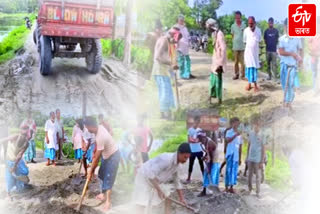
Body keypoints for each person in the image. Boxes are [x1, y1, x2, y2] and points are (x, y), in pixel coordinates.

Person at [133, 143, 191, 214]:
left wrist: (181, 198)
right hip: (144, 177)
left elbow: (177, 182)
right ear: (179, 153)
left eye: (188, 158)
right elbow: (150, 174)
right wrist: (159, 190)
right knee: (141, 202)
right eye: (185, 157)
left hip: (155, 181)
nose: (186, 160)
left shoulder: (177, 166)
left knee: (168, 196)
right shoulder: (166, 160)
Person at [84, 116, 120, 212]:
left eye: (87, 127)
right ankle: (103, 194)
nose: (87, 129)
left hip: (113, 156)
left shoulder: (101, 136)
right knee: (102, 174)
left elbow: (96, 158)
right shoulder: (99, 128)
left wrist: (90, 171)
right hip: (106, 155)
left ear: (90, 126)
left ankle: (108, 201)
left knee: (109, 177)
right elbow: (97, 150)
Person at [152, 27, 181, 119]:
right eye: (176, 38)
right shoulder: (164, 40)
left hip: (162, 71)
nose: (176, 42)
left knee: (164, 92)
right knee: (166, 93)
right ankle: (166, 114)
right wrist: (171, 63)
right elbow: (158, 57)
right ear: (172, 35)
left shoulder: (167, 40)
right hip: (161, 71)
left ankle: (163, 114)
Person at [278, 18, 302, 110]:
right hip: (284, 65)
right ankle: (286, 101)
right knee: (285, 84)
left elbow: (300, 49)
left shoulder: (297, 38)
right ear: (285, 27)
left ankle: (289, 101)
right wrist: (292, 54)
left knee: (291, 85)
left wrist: (300, 59)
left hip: (292, 66)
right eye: (287, 26)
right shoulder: (282, 39)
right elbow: (280, 52)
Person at [1, 124, 32, 196]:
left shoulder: (26, 143)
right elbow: (3, 140)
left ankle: (17, 188)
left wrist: (14, 166)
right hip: (10, 160)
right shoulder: (16, 137)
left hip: (16, 161)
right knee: (10, 178)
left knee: (22, 172)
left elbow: (19, 156)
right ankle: (10, 192)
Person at [206, 18, 227, 105]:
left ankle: (219, 100)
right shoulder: (214, 34)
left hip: (218, 63)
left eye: (207, 25)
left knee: (218, 82)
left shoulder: (220, 34)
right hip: (214, 61)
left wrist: (221, 64)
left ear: (211, 26)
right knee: (212, 81)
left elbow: (223, 49)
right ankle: (210, 97)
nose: (206, 27)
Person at [246, 116, 265, 198]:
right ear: (254, 124)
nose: (257, 126)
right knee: (249, 174)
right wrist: (247, 157)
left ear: (260, 125)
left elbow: (264, 148)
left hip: (258, 158)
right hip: (250, 157)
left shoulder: (262, 135)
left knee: (258, 175)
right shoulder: (250, 133)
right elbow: (249, 145)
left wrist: (262, 161)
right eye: (256, 124)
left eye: (258, 124)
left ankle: (258, 192)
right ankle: (249, 189)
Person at [243, 16, 262, 92]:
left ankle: (255, 85)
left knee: (254, 69)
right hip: (248, 53)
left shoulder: (259, 30)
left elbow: (260, 40)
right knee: (248, 68)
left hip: (255, 54)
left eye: (251, 23)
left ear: (255, 23)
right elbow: (244, 41)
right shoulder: (246, 30)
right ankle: (249, 84)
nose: (250, 25)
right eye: (249, 23)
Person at [197, 132, 219, 197]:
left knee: (212, 175)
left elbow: (211, 157)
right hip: (211, 159)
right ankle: (204, 191)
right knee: (206, 174)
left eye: (201, 139)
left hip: (214, 160)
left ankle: (214, 193)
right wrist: (205, 156)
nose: (201, 141)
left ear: (204, 138)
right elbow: (208, 152)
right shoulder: (205, 142)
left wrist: (209, 168)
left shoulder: (209, 143)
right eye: (200, 140)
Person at [225, 117, 242, 193]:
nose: (236, 124)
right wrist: (235, 135)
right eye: (235, 123)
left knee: (234, 171)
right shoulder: (229, 132)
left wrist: (240, 158)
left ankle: (231, 187)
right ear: (232, 123)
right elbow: (228, 140)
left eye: (238, 123)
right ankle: (226, 186)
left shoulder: (240, 134)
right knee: (228, 170)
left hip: (236, 155)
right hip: (230, 153)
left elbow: (240, 146)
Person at [175, 15, 194, 79]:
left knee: (187, 60)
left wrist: (189, 42)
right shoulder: (176, 27)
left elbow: (187, 36)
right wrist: (176, 44)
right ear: (177, 20)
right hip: (180, 46)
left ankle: (187, 73)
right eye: (180, 20)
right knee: (181, 61)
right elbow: (175, 37)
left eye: (183, 20)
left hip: (185, 46)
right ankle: (182, 75)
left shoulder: (185, 28)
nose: (182, 21)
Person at [186, 116, 204, 183]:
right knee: (191, 164)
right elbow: (189, 140)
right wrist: (195, 141)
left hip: (199, 149)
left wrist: (194, 140)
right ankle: (188, 178)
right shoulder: (190, 130)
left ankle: (204, 177)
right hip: (192, 150)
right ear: (194, 122)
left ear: (199, 123)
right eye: (196, 122)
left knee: (201, 164)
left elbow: (201, 139)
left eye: (198, 122)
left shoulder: (200, 130)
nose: (197, 123)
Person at [231, 11, 246, 80]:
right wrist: (234, 42)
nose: (237, 19)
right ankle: (236, 74)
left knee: (242, 62)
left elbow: (246, 36)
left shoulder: (244, 25)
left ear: (241, 17)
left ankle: (243, 75)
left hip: (242, 46)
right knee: (236, 62)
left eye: (239, 17)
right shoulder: (233, 26)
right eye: (236, 18)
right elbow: (232, 35)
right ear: (235, 18)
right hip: (235, 47)